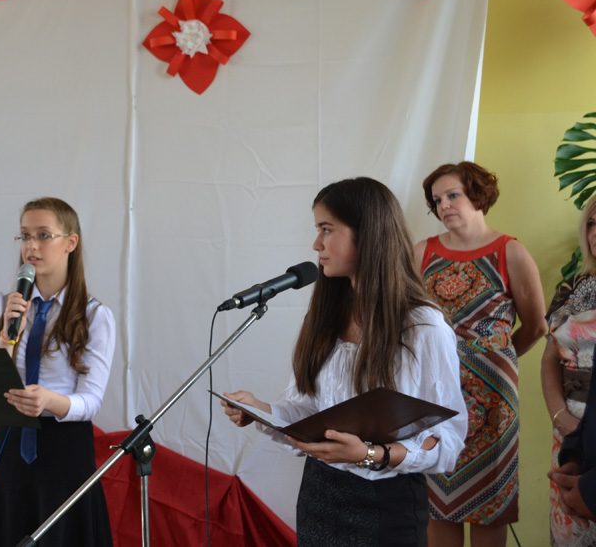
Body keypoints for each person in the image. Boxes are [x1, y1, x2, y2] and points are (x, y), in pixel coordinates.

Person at [222, 177, 468, 546]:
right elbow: (310, 411)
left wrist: (369, 454)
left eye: (326, 229)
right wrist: (261, 410)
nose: (316, 244)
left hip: (384, 506)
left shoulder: (423, 327)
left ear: (367, 234)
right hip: (319, 497)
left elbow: (448, 441)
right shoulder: (325, 318)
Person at [415, 162, 547, 546]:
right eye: (437, 200)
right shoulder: (422, 253)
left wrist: (493, 360)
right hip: (438, 397)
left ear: (477, 195)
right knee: (438, 500)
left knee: (491, 501)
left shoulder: (511, 252)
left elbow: (536, 326)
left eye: (452, 195)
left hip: (494, 402)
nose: (443, 205)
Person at [0, 197, 115, 547]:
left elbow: (92, 400)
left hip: (64, 448)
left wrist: (50, 401)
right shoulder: (6, 304)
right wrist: (8, 335)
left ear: (71, 242)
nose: (31, 246)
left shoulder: (94, 316)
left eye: (43, 235)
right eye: (24, 235)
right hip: (12, 440)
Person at [543, 195, 596, 545]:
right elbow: (549, 359)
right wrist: (560, 417)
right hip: (571, 435)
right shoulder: (572, 288)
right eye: (591, 224)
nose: (595, 233)